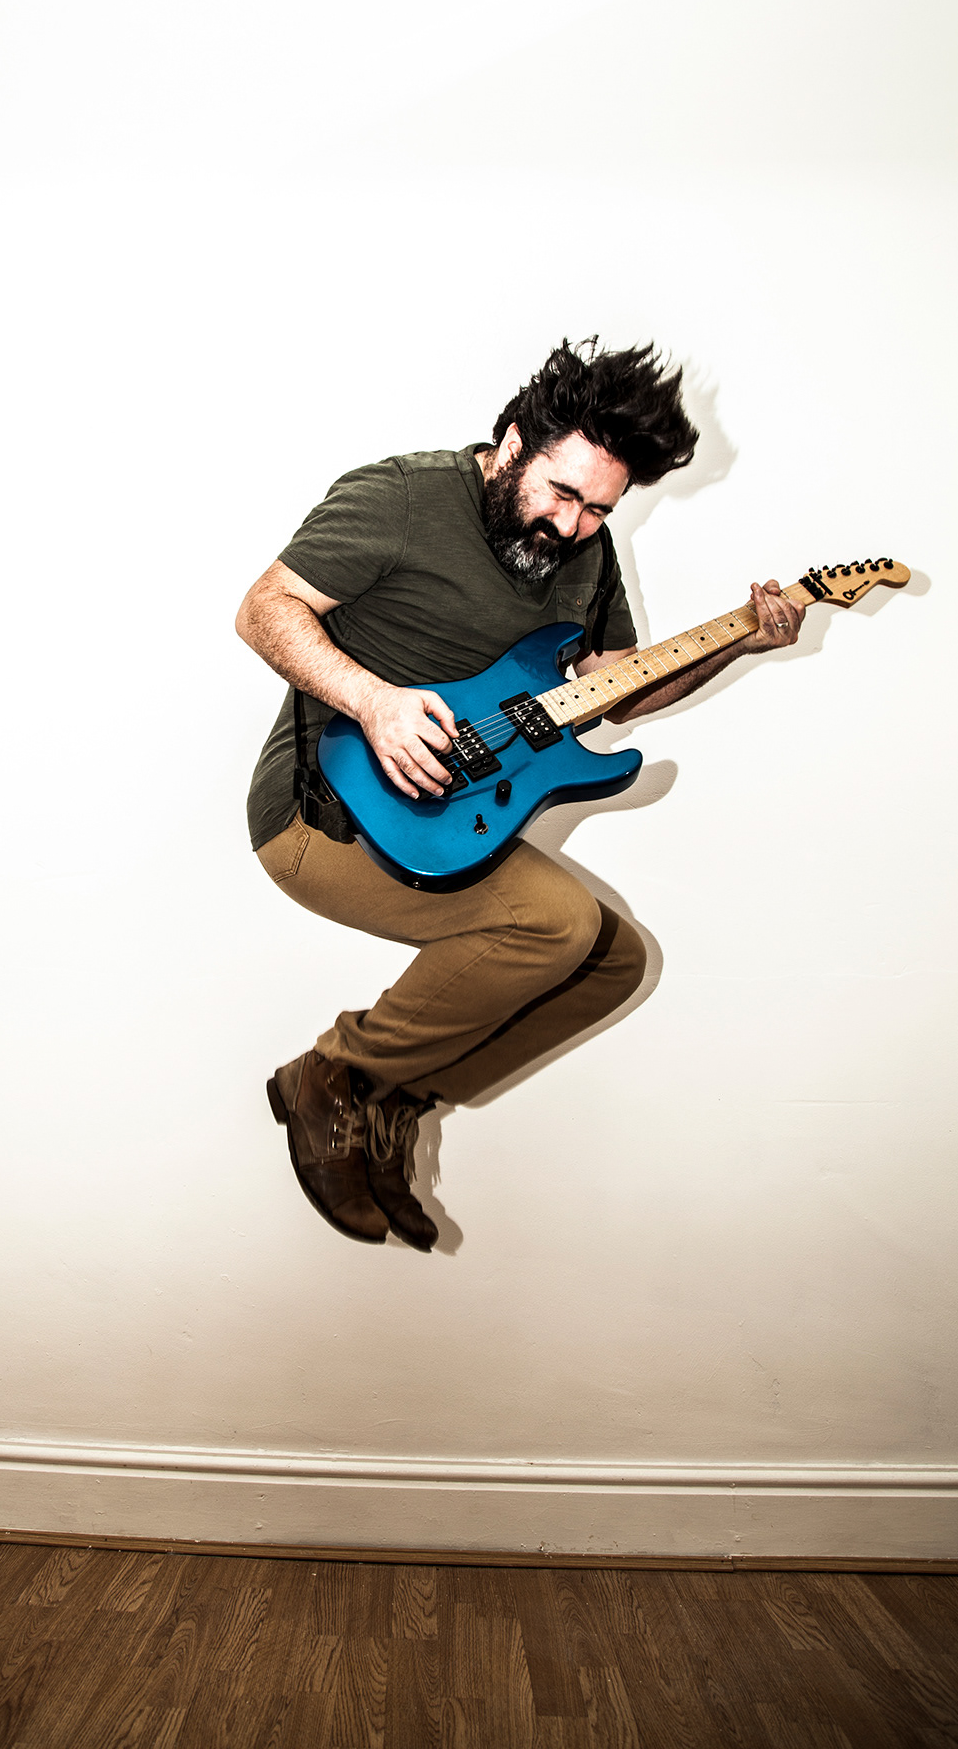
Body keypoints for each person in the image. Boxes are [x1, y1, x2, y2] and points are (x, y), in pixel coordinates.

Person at [235, 336, 804, 1250]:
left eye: (599, 508)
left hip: (458, 818)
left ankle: (388, 1098)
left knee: (611, 962)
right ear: (509, 443)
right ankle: (332, 1075)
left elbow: (616, 682)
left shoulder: (586, 551)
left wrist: (736, 638)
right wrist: (374, 703)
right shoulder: (403, 497)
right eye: (560, 492)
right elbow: (265, 608)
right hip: (328, 812)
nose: (573, 524)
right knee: (554, 925)